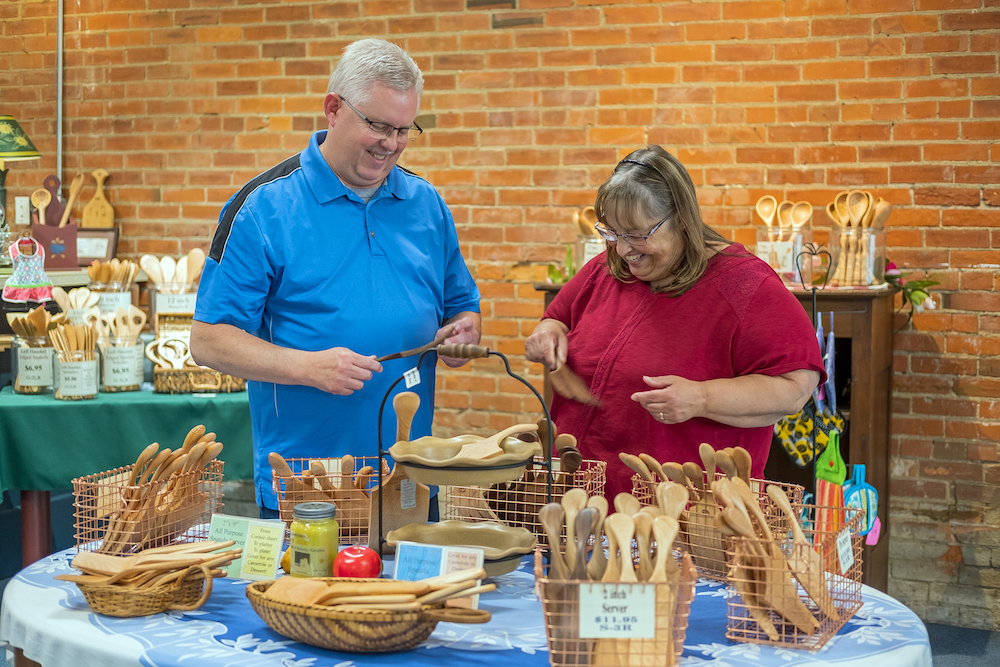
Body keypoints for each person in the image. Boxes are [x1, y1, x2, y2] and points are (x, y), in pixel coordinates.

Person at [191, 38, 481, 518]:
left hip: (409, 479)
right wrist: (308, 368)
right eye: (378, 125)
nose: (391, 144)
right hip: (308, 485)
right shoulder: (262, 208)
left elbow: (460, 306)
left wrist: (464, 330)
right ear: (333, 109)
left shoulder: (427, 205)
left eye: (405, 130)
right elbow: (208, 340)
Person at [525, 146, 824, 500]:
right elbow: (556, 318)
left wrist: (701, 397)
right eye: (613, 233)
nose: (622, 250)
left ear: (681, 219)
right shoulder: (607, 269)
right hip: (579, 499)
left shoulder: (744, 286)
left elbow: (795, 387)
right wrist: (547, 334)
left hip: (686, 514)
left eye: (636, 234)